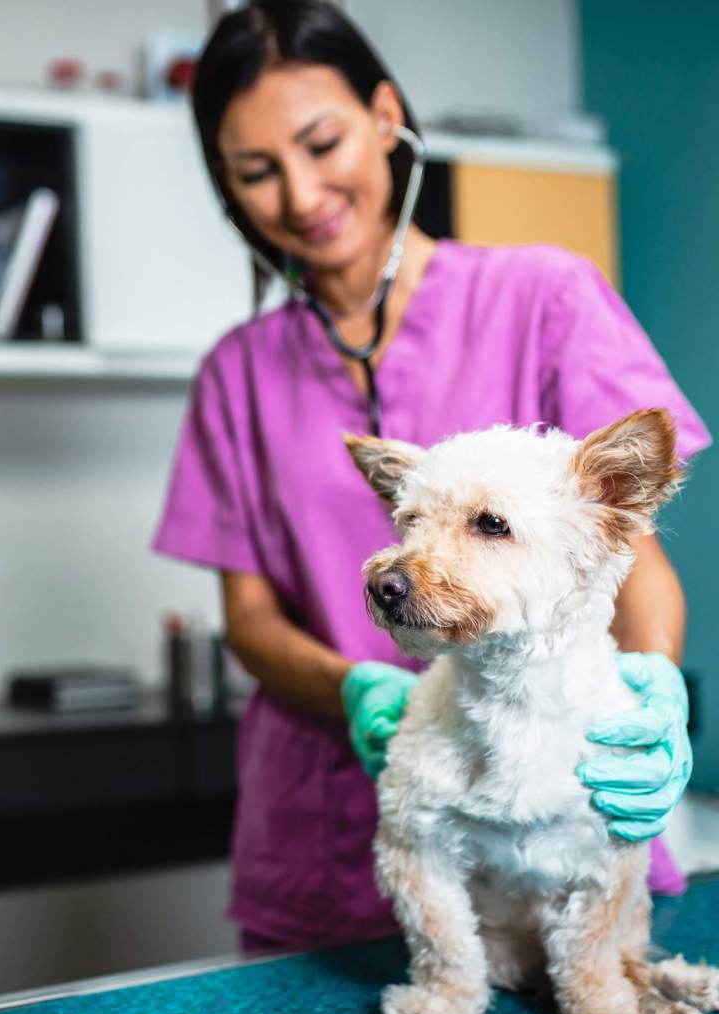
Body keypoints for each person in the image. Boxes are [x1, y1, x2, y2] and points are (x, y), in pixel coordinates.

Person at [153, 0, 711, 951]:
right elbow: (248, 620)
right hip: (327, 840)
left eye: (322, 142)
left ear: (383, 116)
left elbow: (633, 554)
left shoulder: (544, 296)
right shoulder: (235, 375)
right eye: (255, 171)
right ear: (226, 186)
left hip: (563, 807)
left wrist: (652, 686)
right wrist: (366, 692)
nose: (300, 194)